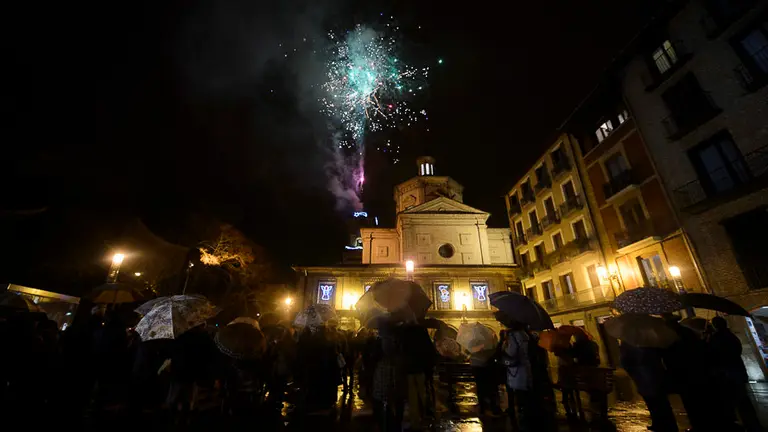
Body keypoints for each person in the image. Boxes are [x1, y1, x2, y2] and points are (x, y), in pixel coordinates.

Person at [708, 316, 762, 432]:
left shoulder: (717, 338)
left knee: (734, 399)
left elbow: (714, 355)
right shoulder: (731, 336)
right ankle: (752, 423)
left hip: (727, 373)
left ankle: (744, 424)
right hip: (736, 371)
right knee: (742, 399)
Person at [620, 342, 678, 432]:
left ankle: (663, 424)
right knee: (658, 401)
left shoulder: (631, 344)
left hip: (645, 375)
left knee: (654, 401)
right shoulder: (650, 344)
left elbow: (627, 360)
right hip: (652, 375)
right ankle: (663, 424)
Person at [401, 323, 437, 430]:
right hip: (420, 368)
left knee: (412, 396)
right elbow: (429, 350)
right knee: (422, 392)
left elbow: (402, 350)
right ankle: (424, 414)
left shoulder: (405, 331)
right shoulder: (422, 331)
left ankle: (415, 420)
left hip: (410, 369)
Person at [500, 323, 532, 431]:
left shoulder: (513, 335)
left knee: (517, 391)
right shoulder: (526, 335)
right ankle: (526, 413)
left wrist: (504, 347)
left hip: (516, 369)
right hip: (525, 367)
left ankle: (520, 416)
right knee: (525, 392)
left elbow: (511, 352)